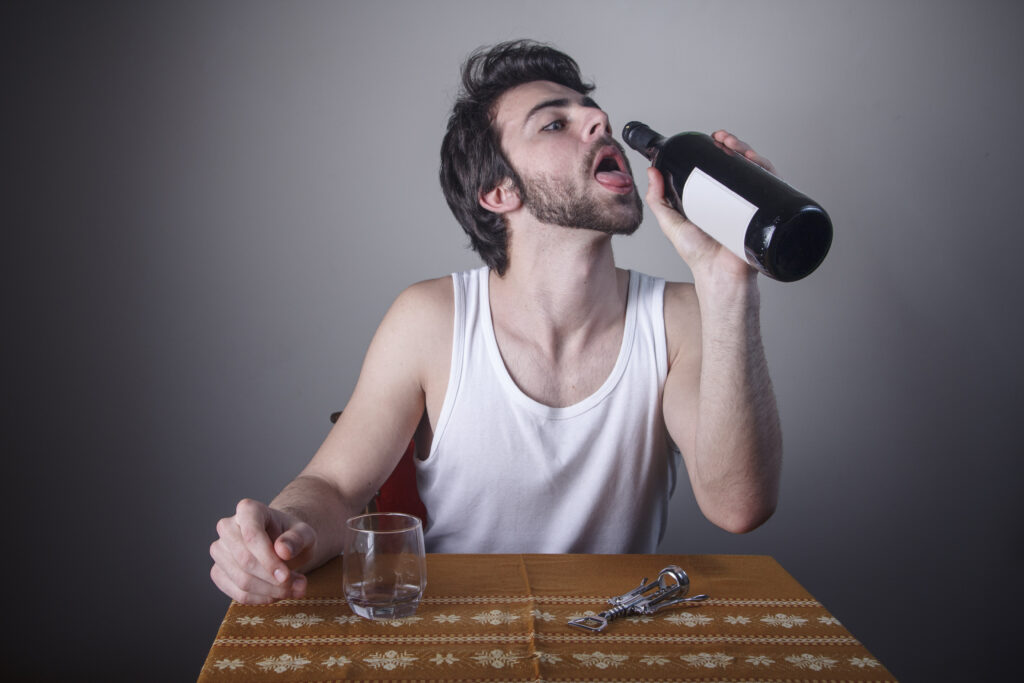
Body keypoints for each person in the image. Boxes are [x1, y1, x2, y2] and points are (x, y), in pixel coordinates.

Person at [209, 40, 782, 605]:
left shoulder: (679, 316)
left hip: (612, 635)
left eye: (589, 110)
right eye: (553, 123)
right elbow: (332, 488)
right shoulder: (430, 320)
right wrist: (285, 531)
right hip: (455, 632)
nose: (597, 120)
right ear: (497, 191)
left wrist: (729, 282)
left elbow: (738, 508)